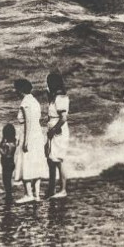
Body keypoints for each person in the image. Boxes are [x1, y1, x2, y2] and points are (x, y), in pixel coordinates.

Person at [13, 78, 46, 203]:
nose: (15, 91)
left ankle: (28, 194)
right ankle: (37, 195)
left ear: (20, 90)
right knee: (36, 162)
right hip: (37, 135)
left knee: (25, 162)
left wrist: (25, 141)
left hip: (29, 135)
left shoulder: (25, 102)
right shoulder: (35, 101)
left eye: (16, 88)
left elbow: (28, 122)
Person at [45, 71, 71, 199]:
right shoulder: (55, 97)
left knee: (59, 160)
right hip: (54, 132)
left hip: (58, 132)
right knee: (52, 159)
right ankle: (52, 188)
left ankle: (63, 189)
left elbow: (63, 118)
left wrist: (53, 130)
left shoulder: (60, 99)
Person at [0, 123, 18, 202]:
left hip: (6, 163)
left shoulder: (7, 144)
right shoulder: (13, 143)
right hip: (11, 162)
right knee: (9, 179)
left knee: (6, 180)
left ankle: (8, 195)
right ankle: (9, 194)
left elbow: (4, 154)